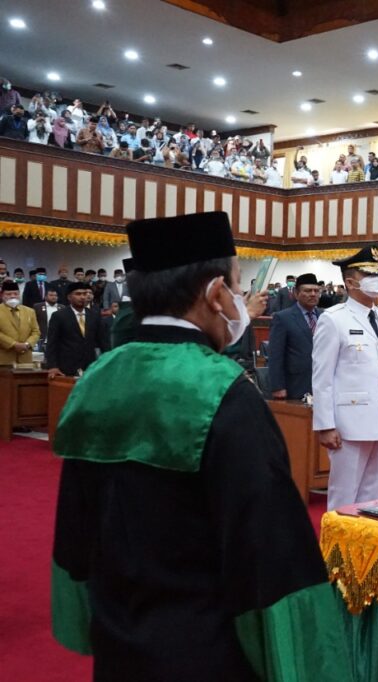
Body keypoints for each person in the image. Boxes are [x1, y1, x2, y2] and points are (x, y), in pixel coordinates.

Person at [50, 212, 343, 680]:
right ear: (214, 294)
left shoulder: (97, 380)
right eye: (237, 287)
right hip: (206, 650)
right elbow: (269, 552)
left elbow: (75, 527)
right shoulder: (222, 390)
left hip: (119, 640)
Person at [312, 246, 378, 509]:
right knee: (344, 496)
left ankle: (367, 548)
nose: (376, 282)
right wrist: (325, 424)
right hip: (348, 423)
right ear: (350, 282)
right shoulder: (333, 319)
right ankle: (336, 551)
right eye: (368, 275)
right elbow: (322, 377)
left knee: (374, 496)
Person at [268, 273, 321, 400]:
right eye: (308, 291)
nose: (313, 294)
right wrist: (277, 387)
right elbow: (275, 354)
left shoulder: (326, 316)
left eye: (316, 291)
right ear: (296, 294)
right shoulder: (283, 318)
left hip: (323, 383)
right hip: (296, 384)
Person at [44, 282, 107, 377]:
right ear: (69, 297)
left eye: (85, 294)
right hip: (66, 367)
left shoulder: (94, 315)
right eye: (78, 294)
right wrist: (53, 366)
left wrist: (108, 361)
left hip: (90, 366)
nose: (82, 297)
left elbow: (103, 341)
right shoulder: (59, 316)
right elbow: (52, 343)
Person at [0, 280, 41, 366]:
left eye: (16, 294)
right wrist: (13, 344)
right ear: (2, 295)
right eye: (9, 294)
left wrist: (27, 344)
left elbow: (36, 332)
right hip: (4, 359)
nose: (13, 296)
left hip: (25, 358)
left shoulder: (30, 311)